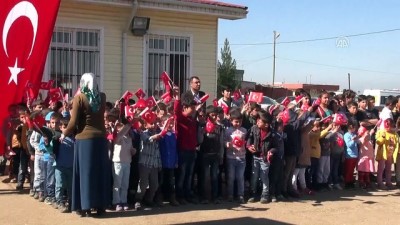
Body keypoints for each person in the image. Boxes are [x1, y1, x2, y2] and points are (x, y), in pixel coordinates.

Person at [62, 73, 111, 217]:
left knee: (85, 173)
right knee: (99, 172)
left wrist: (64, 134)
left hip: (85, 139)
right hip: (101, 139)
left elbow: (74, 121)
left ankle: (85, 206)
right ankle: (101, 206)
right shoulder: (102, 97)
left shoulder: (80, 97)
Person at [174, 87, 199, 204]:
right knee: (182, 175)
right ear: (185, 107)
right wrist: (177, 97)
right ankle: (180, 196)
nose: (194, 110)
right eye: (192, 108)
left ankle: (188, 194)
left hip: (192, 151)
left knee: (189, 175)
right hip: (183, 151)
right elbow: (176, 111)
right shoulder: (180, 118)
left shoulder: (192, 120)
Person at [247, 111, 278, 204]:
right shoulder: (254, 129)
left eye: (260, 121)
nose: (257, 122)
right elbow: (249, 139)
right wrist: (249, 146)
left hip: (265, 158)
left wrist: (271, 151)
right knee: (254, 176)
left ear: (266, 124)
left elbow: (276, 147)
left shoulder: (272, 133)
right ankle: (253, 194)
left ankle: (265, 194)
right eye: (257, 120)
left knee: (264, 176)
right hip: (255, 156)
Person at [135, 117, 162, 210]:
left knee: (155, 184)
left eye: (155, 123)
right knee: (143, 184)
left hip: (154, 164)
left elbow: (157, 152)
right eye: (151, 123)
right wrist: (157, 136)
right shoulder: (143, 134)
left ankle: (149, 200)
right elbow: (148, 140)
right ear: (146, 124)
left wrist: (159, 164)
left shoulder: (157, 135)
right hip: (145, 163)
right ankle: (138, 200)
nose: (154, 125)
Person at [112, 121, 136, 211]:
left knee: (125, 184)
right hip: (118, 163)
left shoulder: (129, 138)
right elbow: (117, 138)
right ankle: (116, 202)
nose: (125, 129)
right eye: (121, 127)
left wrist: (133, 151)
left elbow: (130, 149)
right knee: (117, 184)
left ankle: (123, 201)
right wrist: (128, 125)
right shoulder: (118, 137)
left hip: (127, 163)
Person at [225, 110, 247, 203]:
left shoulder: (244, 131)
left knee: (240, 177)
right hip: (231, 157)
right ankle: (230, 194)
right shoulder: (228, 131)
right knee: (231, 177)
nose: (238, 123)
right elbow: (224, 141)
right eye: (236, 121)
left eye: (240, 121)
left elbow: (247, 142)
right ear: (231, 121)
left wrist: (245, 143)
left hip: (241, 157)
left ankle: (240, 195)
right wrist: (227, 144)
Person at [54, 118, 75, 213]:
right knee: (60, 185)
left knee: (71, 186)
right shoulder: (57, 138)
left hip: (71, 167)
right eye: (65, 127)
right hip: (60, 166)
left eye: (69, 127)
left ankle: (71, 203)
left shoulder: (75, 139)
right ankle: (59, 202)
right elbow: (50, 148)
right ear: (60, 128)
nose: (67, 130)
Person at [376, 118, 399, 189]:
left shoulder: (394, 134)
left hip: (390, 154)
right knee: (381, 169)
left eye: (390, 126)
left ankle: (388, 182)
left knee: (389, 169)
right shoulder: (381, 132)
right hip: (383, 154)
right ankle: (380, 183)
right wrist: (383, 137)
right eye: (387, 126)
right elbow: (378, 142)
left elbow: (397, 142)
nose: (388, 128)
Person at [343, 121, 359, 189]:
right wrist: (353, 140)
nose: (353, 129)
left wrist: (357, 140)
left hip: (355, 154)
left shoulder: (354, 134)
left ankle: (350, 181)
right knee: (348, 170)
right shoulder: (346, 135)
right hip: (349, 155)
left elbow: (357, 143)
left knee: (352, 170)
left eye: (354, 128)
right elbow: (348, 145)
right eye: (351, 128)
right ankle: (347, 183)